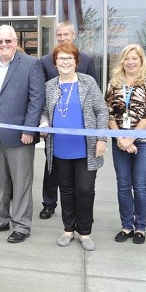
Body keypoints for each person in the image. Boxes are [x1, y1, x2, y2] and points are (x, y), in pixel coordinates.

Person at [0, 25, 45, 243]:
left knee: (21, 183)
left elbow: (36, 100)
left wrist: (28, 130)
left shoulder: (31, 64)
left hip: (20, 137)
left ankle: (22, 226)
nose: (4, 45)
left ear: (15, 42)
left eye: (8, 41)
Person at [39, 43, 108, 251]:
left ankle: (85, 232)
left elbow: (102, 111)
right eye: (61, 58)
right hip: (60, 148)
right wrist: (44, 122)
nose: (65, 62)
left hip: (85, 149)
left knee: (85, 190)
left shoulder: (88, 82)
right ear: (55, 62)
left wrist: (101, 138)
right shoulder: (50, 85)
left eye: (69, 58)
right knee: (66, 190)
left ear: (76, 61)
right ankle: (68, 229)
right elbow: (43, 111)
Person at [38, 20, 98, 220]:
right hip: (55, 134)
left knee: (82, 184)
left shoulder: (87, 61)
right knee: (52, 170)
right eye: (60, 35)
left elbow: (96, 101)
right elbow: (43, 99)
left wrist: (99, 137)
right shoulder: (45, 60)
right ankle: (49, 203)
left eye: (66, 35)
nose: (63, 38)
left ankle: (83, 216)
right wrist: (44, 123)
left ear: (73, 36)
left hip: (82, 136)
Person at [105, 44, 146, 244]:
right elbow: (108, 113)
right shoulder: (114, 83)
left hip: (145, 141)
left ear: (141, 60)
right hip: (120, 139)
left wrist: (132, 138)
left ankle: (141, 227)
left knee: (140, 185)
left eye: (134, 59)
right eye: (127, 58)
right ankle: (126, 226)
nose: (130, 62)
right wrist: (121, 138)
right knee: (122, 185)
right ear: (122, 61)